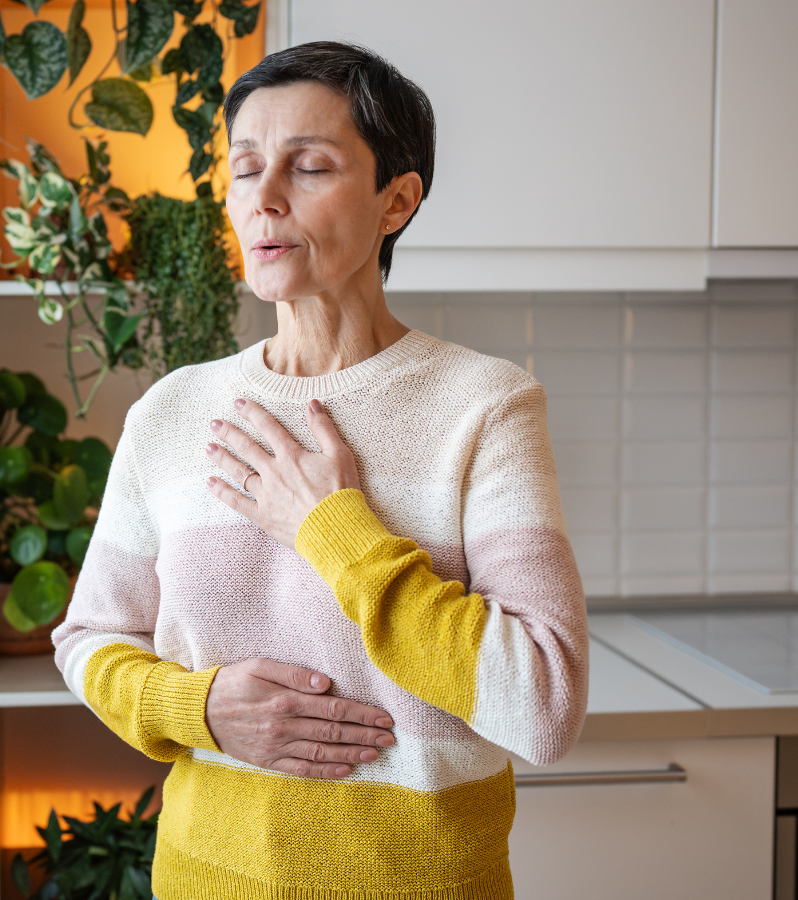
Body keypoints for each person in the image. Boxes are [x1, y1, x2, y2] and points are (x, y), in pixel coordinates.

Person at [53, 41, 588, 900]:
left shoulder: (484, 407)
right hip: (205, 880)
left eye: (309, 167)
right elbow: (88, 643)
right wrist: (198, 709)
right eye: (245, 169)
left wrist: (330, 530)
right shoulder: (171, 413)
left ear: (397, 200)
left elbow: (544, 703)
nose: (263, 200)